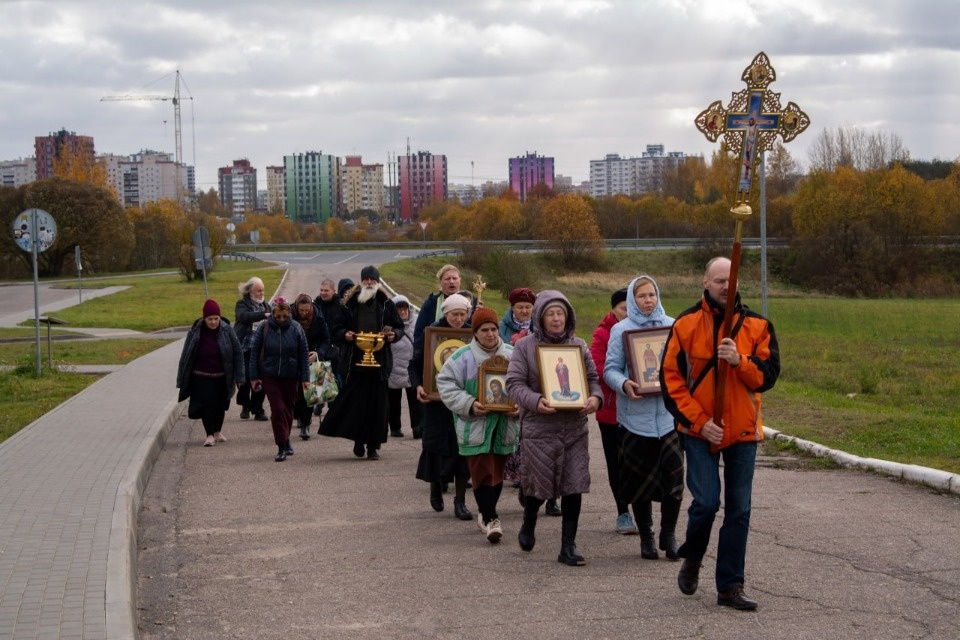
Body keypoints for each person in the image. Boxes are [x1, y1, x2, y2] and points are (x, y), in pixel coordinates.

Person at [661, 256, 780, 610]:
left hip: (742, 431)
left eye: (732, 280)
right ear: (705, 282)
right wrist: (700, 423)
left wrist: (738, 361)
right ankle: (693, 557)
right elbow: (671, 382)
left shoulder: (758, 325)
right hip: (700, 432)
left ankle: (730, 586)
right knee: (707, 502)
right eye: (719, 280)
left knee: (739, 510)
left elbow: (768, 375)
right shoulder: (685, 324)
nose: (726, 286)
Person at [506, 290, 602, 566]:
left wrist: (595, 398)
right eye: (551, 313)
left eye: (561, 313)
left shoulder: (579, 346)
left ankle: (568, 546)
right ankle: (529, 520)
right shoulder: (525, 347)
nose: (557, 318)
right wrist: (536, 401)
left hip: (573, 427)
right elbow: (514, 384)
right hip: (540, 427)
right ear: (540, 317)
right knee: (538, 486)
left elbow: (592, 379)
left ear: (568, 316)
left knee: (574, 484)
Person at [603, 276, 684, 561]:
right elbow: (610, 369)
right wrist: (625, 384)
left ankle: (669, 534)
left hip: (667, 418)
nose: (648, 300)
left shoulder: (673, 326)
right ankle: (647, 537)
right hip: (635, 420)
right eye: (641, 296)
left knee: (674, 481)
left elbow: (682, 366)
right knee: (639, 484)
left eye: (652, 295)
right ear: (632, 299)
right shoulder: (620, 330)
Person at [437, 307, 520, 543]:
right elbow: (445, 384)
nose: (491, 334)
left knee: (496, 470)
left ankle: (486, 513)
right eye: (484, 330)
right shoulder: (461, 357)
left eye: (494, 329)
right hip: (475, 424)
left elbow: (528, 384)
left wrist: (519, 406)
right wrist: (470, 403)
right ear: (475, 332)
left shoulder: (514, 355)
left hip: (505, 425)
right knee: (481, 470)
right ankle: (492, 518)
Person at [319, 266, 404, 460]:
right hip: (355, 363)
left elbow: (399, 327)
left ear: (377, 282)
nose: (369, 282)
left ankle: (373, 446)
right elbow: (337, 328)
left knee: (377, 407)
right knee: (356, 405)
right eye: (365, 279)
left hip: (379, 364)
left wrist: (393, 335)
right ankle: (358, 441)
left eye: (372, 279)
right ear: (361, 281)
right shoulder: (349, 304)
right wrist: (345, 335)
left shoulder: (386, 304)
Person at [409, 293, 474, 520]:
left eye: (462, 314)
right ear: (445, 313)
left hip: (463, 400)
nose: (458, 319)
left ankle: (460, 501)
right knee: (436, 446)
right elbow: (415, 363)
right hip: (435, 400)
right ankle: (436, 486)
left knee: (462, 447)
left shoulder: (471, 333)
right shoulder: (432, 333)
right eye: (454, 314)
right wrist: (418, 386)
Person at [589, 286, 638, 535]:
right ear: (613, 309)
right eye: (623, 308)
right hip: (611, 410)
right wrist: (624, 377)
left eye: (631, 307)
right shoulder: (602, 333)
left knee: (638, 462)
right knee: (616, 462)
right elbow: (597, 367)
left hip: (639, 408)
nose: (628, 312)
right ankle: (622, 512)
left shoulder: (644, 328)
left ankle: (642, 510)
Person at [248, 297, 311, 462]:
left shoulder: (296, 328)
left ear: (289, 314)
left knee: (289, 410)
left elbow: (303, 355)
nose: (281, 320)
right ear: (273, 314)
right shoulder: (264, 328)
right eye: (278, 316)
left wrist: (305, 378)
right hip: (270, 375)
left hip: (291, 376)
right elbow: (254, 354)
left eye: (284, 316)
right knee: (277, 409)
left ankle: (286, 437)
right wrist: (254, 377)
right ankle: (281, 445)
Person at [176, 299, 244, 447]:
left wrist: (240, 376)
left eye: (216, 319)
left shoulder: (227, 330)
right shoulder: (195, 332)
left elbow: (237, 353)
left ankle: (218, 431)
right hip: (200, 376)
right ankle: (209, 434)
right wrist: (181, 377)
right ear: (204, 318)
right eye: (210, 319)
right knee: (206, 406)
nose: (213, 322)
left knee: (220, 405)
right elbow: (185, 355)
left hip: (222, 376)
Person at [291, 293, 332, 440]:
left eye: (306, 310)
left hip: (311, 359)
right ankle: (299, 416)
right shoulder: (289, 317)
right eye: (301, 310)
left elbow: (326, 340)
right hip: (294, 359)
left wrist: (318, 353)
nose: (303, 313)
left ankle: (306, 425)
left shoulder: (319, 319)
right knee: (296, 394)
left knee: (309, 393)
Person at [234, 277, 271, 421]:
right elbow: (243, 317)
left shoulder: (266, 306)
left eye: (262, 290)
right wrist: (263, 315)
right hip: (245, 348)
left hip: (261, 350)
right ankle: (245, 405)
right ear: (250, 291)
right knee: (246, 379)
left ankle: (258, 409)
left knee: (260, 379)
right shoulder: (241, 304)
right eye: (258, 290)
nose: (261, 293)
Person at [313, 278, 349, 420]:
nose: (323, 293)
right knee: (321, 380)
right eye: (321, 290)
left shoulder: (341, 306)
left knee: (335, 380)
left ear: (333, 291)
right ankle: (320, 403)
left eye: (326, 290)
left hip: (336, 348)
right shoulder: (315, 305)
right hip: (320, 347)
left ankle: (333, 411)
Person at [387, 294, 420, 438]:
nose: (402, 312)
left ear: (409, 308)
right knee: (393, 400)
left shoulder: (417, 322)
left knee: (415, 401)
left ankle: (417, 427)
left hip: (411, 367)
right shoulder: (387, 325)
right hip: (394, 367)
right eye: (398, 309)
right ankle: (395, 427)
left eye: (404, 308)